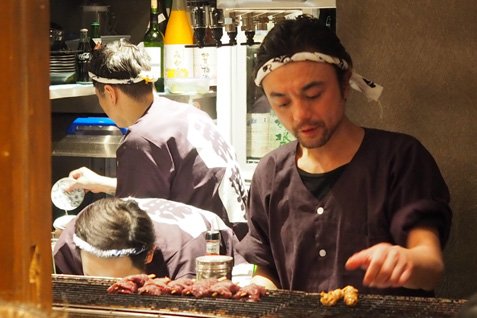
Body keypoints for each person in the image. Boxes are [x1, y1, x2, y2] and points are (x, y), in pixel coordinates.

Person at [236, 15, 452, 296]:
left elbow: (430, 266)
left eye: (313, 94)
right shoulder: (271, 171)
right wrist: (256, 289)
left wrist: (407, 262)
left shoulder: (400, 159)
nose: (300, 115)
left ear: (345, 81)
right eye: (282, 102)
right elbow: (268, 269)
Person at [66, 39, 248, 238]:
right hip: (235, 243)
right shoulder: (189, 114)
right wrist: (103, 183)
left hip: (201, 255)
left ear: (109, 93)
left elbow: (134, 229)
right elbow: (173, 189)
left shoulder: (142, 139)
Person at [54, 197, 246, 278]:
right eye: (93, 279)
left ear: (149, 254)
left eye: (119, 283)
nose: (108, 292)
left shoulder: (187, 258)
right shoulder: (74, 240)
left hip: (211, 242)